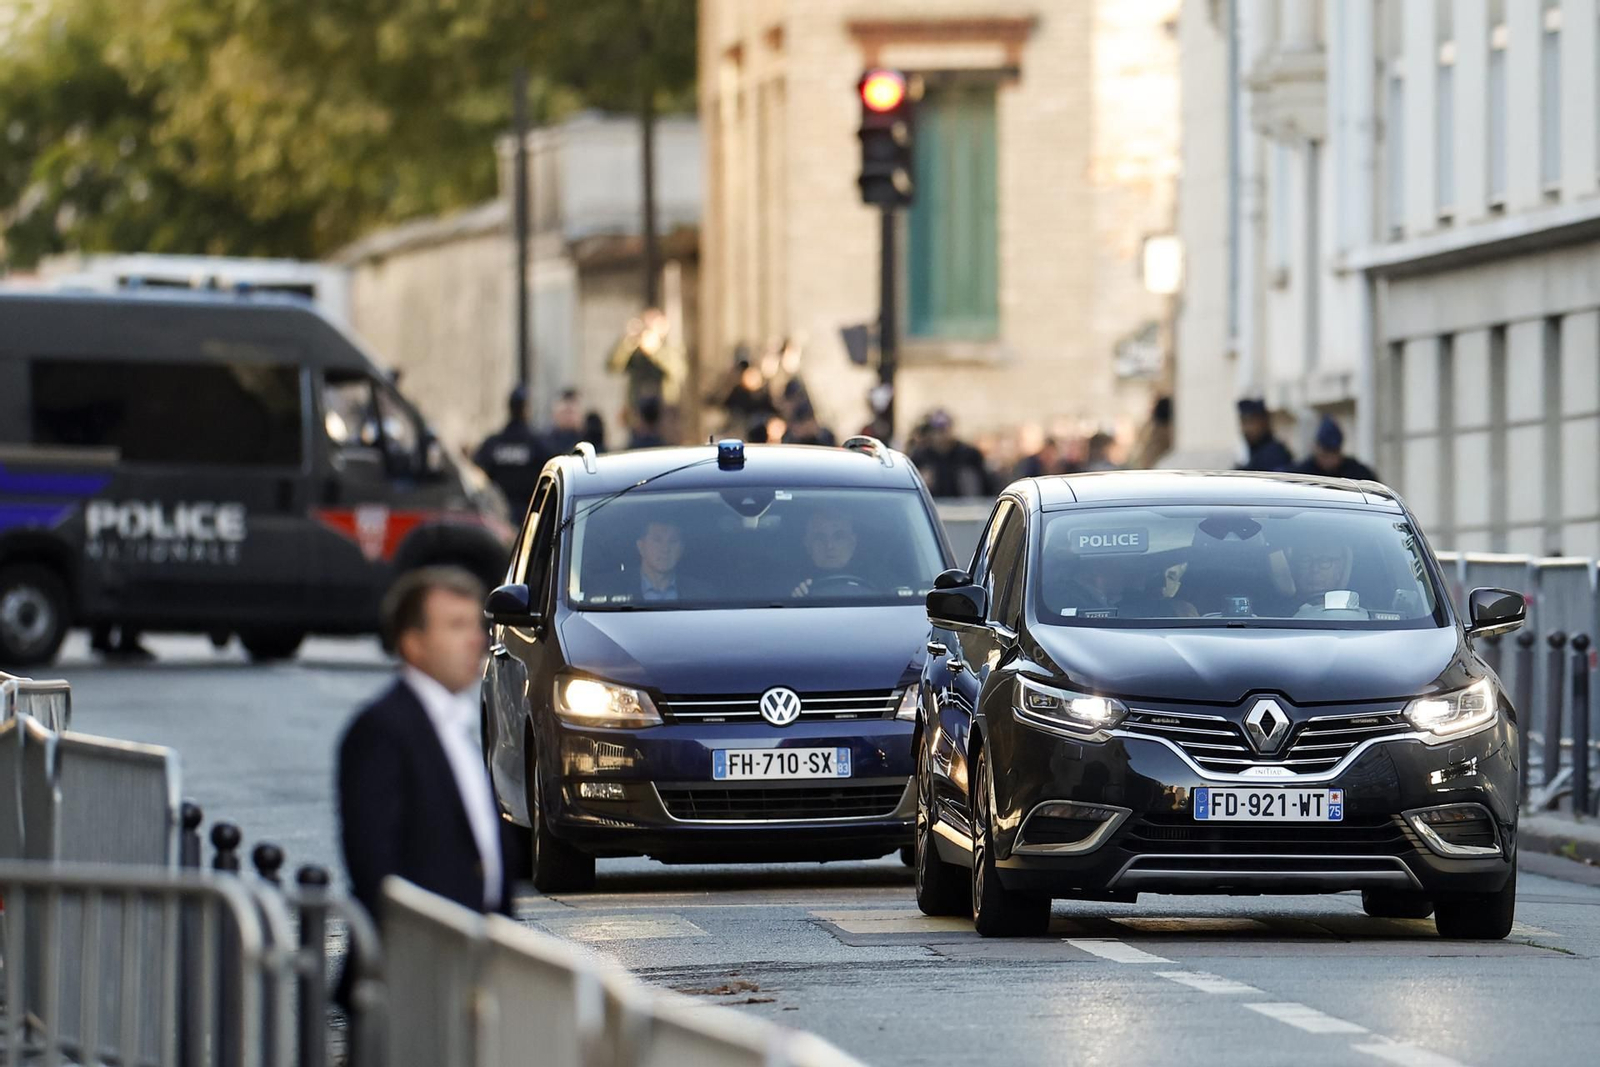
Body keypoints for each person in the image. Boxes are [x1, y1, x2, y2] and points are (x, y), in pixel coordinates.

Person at [336, 567, 510, 996]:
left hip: (471, 972)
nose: (477, 640)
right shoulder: (381, 731)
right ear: (413, 644)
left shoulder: (455, 726)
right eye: (456, 626)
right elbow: (377, 870)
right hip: (412, 981)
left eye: (477, 625)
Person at [472, 385, 548, 519]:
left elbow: (476, 468)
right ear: (526, 409)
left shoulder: (494, 443)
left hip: (497, 515)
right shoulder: (536, 444)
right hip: (528, 516)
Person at [910, 410, 995, 498]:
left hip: (966, 507)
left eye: (944, 430)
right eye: (937, 431)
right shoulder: (920, 456)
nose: (941, 435)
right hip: (933, 505)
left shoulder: (969, 454)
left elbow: (987, 485)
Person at [791, 510, 868, 596]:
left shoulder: (879, 580)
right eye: (820, 538)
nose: (829, 546)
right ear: (808, 544)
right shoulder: (788, 583)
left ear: (853, 543)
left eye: (838, 537)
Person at [1296, 416, 1378, 482]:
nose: (1329, 460)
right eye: (1325, 455)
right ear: (1316, 448)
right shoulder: (1303, 474)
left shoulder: (1357, 472)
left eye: (1334, 454)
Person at [1235, 398, 1293, 473]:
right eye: (1243, 423)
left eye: (1251, 422)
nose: (1247, 429)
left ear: (1264, 422)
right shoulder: (1255, 453)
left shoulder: (1274, 453)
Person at [544, 387, 585, 456]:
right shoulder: (545, 443)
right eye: (565, 413)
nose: (568, 418)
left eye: (571, 413)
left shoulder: (586, 442)